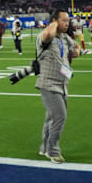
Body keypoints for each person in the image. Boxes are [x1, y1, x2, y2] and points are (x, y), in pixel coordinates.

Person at [34, 10, 80, 164]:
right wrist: (54, 23)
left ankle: (44, 147)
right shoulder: (45, 36)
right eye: (64, 20)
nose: (67, 23)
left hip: (62, 84)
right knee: (60, 116)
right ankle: (53, 151)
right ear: (54, 21)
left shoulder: (64, 38)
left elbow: (77, 48)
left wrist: (76, 52)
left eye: (68, 20)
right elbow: (48, 35)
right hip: (48, 83)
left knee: (51, 118)